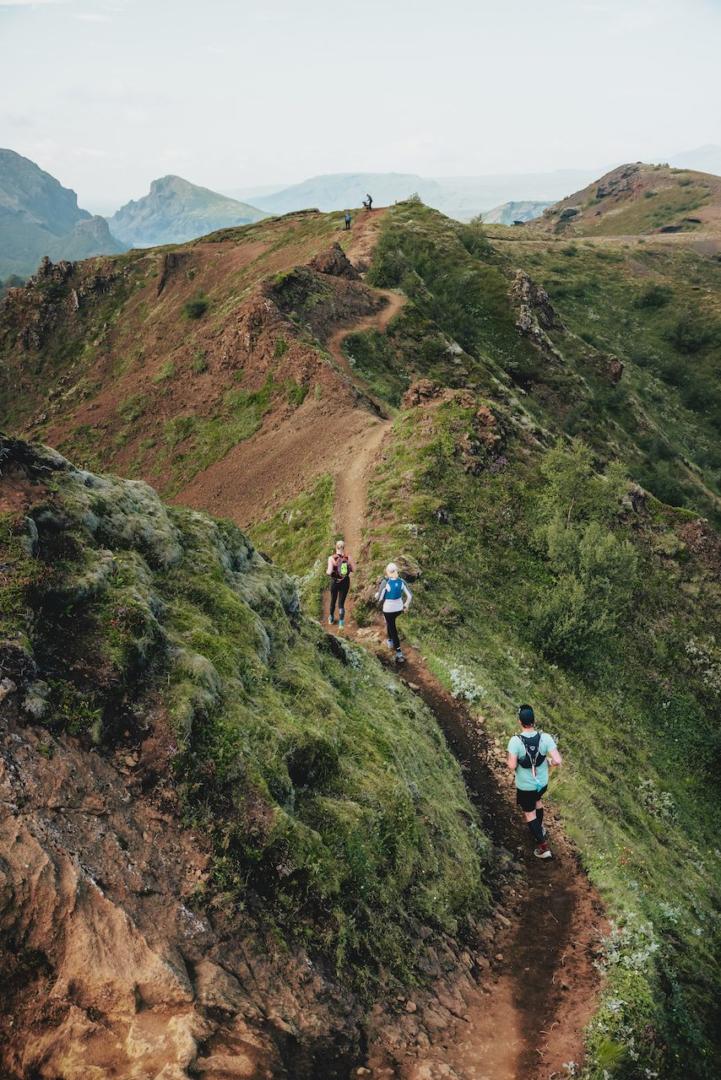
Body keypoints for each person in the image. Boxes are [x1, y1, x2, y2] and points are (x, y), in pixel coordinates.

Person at [507, 704, 562, 859]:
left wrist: (511, 760)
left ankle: (543, 848)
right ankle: (540, 829)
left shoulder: (515, 741)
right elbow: (558, 760)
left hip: (526, 786)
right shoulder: (545, 738)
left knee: (529, 813)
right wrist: (550, 762)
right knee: (537, 801)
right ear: (534, 720)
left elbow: (512, 766)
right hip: (542, 784)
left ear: (520, 721)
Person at [376, 562, 412, 663]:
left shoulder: (385, 582)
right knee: (390, 623)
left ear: (388, 572)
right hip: (399, 609)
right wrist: (406, 605)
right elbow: (410, 596)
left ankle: (399, 652)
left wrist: (376, 595)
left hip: (388, 610)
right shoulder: (402, 581)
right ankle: (390, 641)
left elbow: (380, 598)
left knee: (392, 628)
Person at [327, 540, 355, 629]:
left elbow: (329, 572)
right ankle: (341, 624)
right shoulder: (348, 557)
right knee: (341, 603)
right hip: (345, 582)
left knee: (333, 601)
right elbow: (354, 569)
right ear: (344, 547)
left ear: (336, 547)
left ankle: (331, 618)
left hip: (335, 582)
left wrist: (329, 571)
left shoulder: (331, 558)